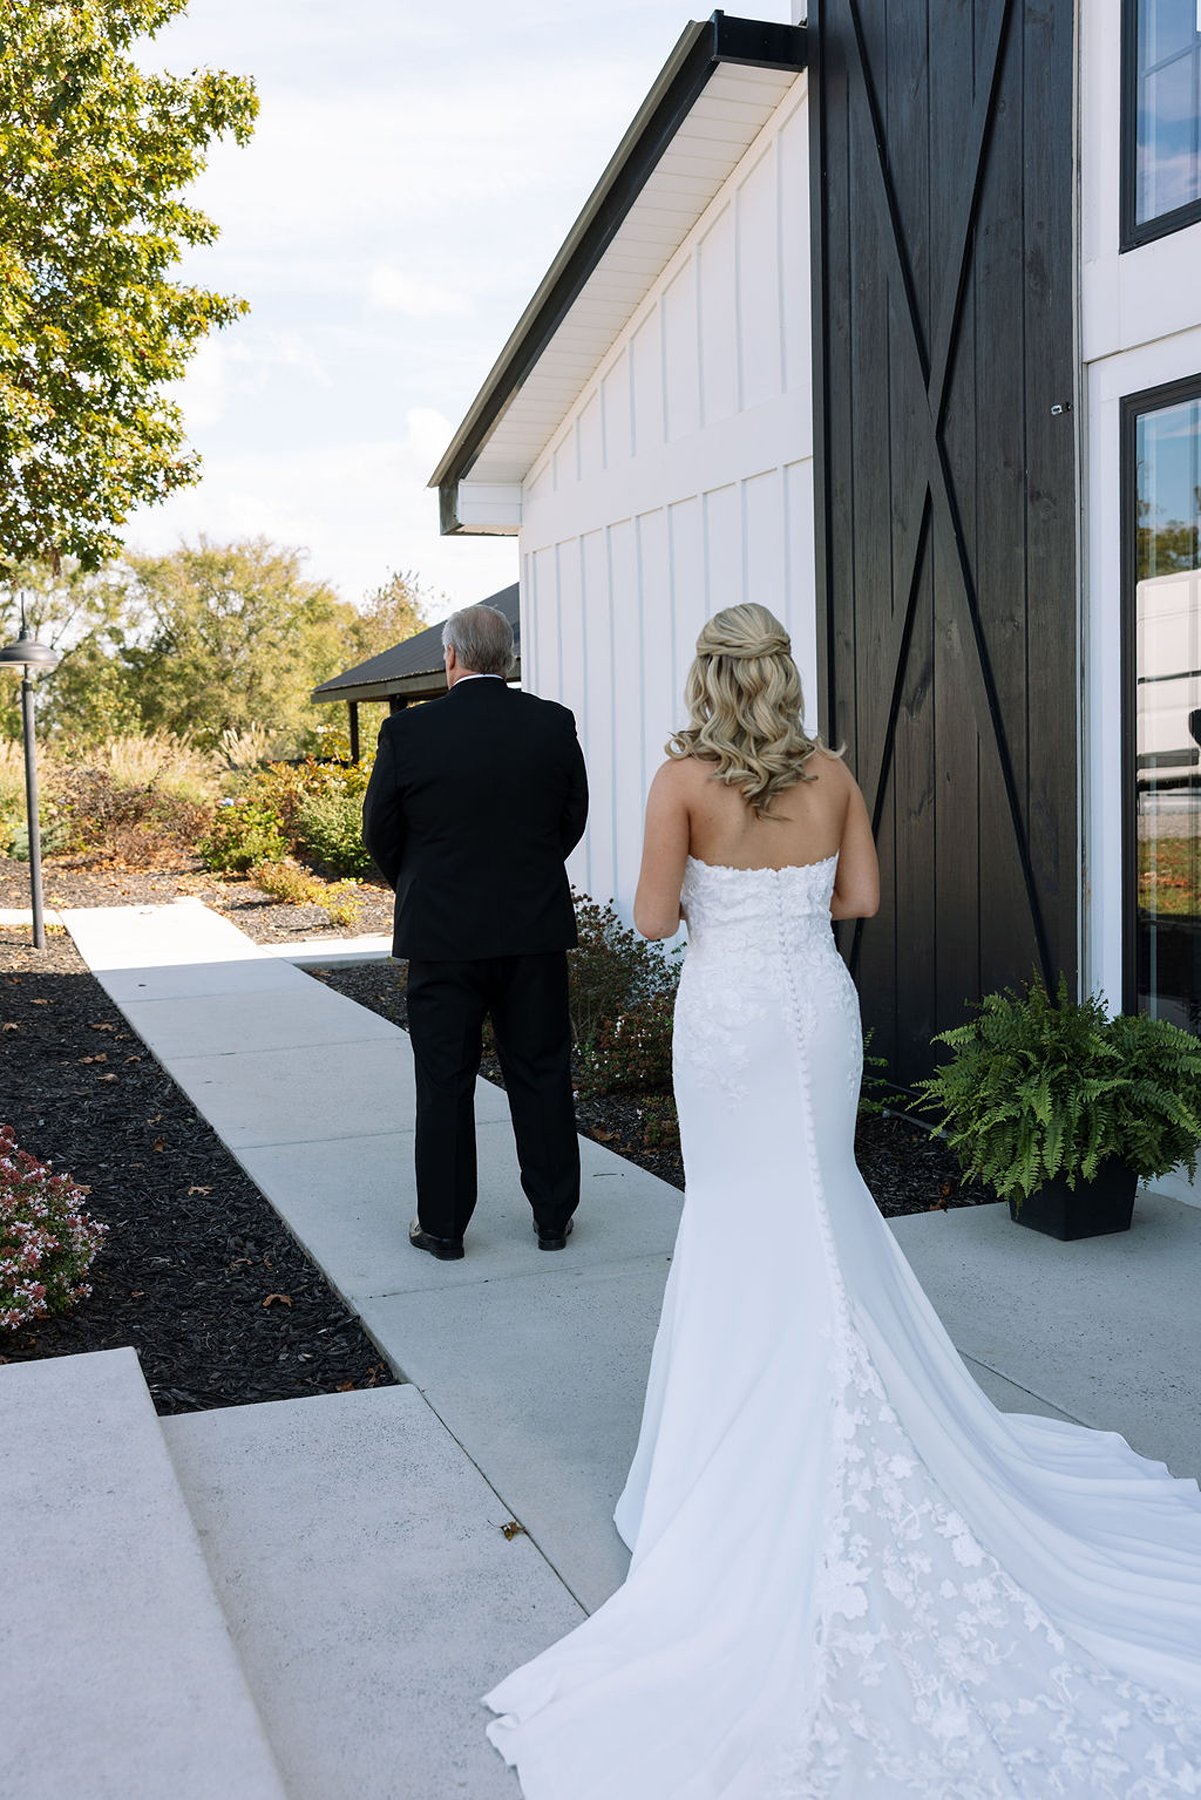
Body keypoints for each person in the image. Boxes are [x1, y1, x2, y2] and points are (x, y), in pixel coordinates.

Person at [483, 603, 1201, 1797]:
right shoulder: (833, 773)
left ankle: (729, 1458)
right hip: (815, 1013)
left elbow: (656, 919)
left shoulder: (678, 780)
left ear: (709, 678)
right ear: (784, 676)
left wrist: (721, 889)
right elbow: (857, 901)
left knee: (736, 1220)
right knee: (820, 1207)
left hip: (723, 1021)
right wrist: (787, 889)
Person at [361, 602, 588, 1259]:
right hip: (532, 930)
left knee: (443, 1079)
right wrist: (527, 874)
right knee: (542, 1071)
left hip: (441, 935)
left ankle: (442, 1227)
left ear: (451, 657)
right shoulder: (551, 724)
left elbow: (381, 833)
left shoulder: (408, 732)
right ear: (507, 660)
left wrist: (425, 882)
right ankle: (552, 1220)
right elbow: (569, 818)